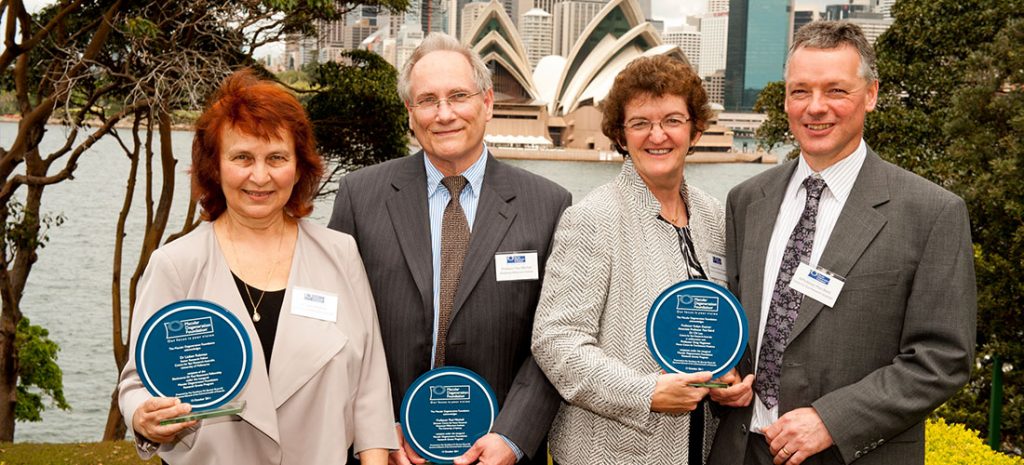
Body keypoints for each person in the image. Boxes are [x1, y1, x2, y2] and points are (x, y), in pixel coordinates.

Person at [709, 21, 977, 465]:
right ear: (785, 99)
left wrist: (832, 420)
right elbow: (740, 327)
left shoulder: (931, 212)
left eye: (836, 90)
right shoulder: (747, 200)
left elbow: (942, 358)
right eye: (800, 91)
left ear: (870, 94)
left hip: (851, 455)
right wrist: (727, 374)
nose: (816, 108)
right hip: (741, 451)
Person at [117, 69, 397, 464]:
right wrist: (143, 417)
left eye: (276, 158)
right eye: (242, 158)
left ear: (299, 167)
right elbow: (137, 384)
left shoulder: (340, 254)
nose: (260, 176)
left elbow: (370, 389)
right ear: (215, 167)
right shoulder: (175, 265)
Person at [327, 33, 571, 465]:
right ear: (410, 112)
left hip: (498, 452)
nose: (444, 114)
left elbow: (557, 337)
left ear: (487, 103)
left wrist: (513, 437)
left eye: (458, 96)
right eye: (427, 100)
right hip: (387, 450)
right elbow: (336, 327)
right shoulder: (360, 197)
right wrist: (375, 427)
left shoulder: (548, 205)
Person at [530, 55, 754, 465]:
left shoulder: (714, 217)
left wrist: (728, 378)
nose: (657, 135)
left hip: (699, 449)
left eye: (672, 120)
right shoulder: (592, 218)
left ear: (695, 130)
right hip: (611, 453)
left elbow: (717, 326)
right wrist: (644, 393)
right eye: (640, 123)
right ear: (621, 135)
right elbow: (556, 341)